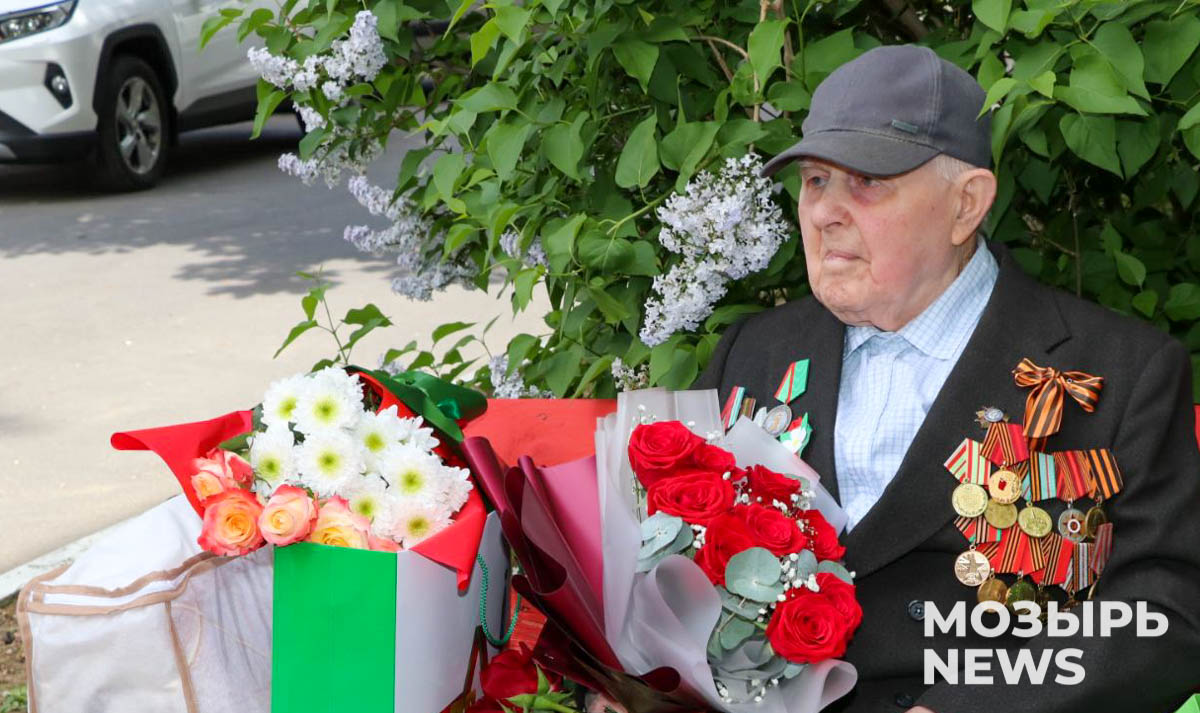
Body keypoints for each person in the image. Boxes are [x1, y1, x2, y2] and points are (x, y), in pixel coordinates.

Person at [695, 44, 1200, 713]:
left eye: (864, 181)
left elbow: (1164, 612)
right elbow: (663, 570)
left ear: (966, 204)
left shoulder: (1120, 372)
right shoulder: (752, 354)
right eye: (815, 181)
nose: (822, 212)